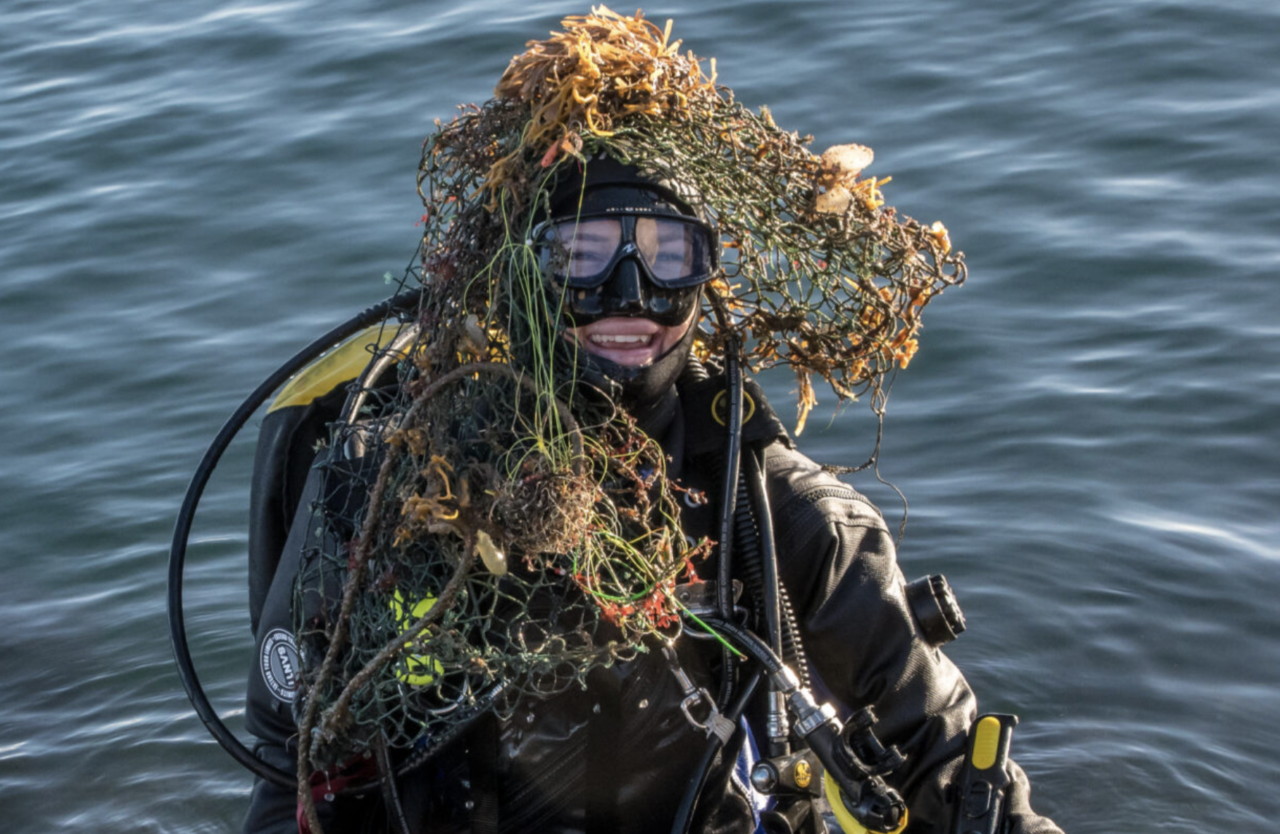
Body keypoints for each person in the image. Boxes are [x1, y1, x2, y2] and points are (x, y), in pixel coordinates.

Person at [241, 10, 1063, 834]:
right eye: (582, 255)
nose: (630, 296)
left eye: (669, 256)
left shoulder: (774, 515)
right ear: (518, 273)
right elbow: (287, 766)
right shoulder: (389, 490)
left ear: (706, 277)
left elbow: (942, 753)